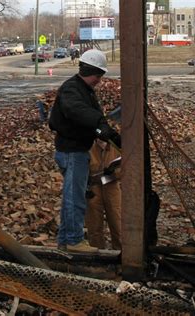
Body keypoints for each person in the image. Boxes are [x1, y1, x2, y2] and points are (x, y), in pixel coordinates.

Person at [48, 49, 121, 253]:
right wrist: (98, 124)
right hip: (72, 151)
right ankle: (73, 241)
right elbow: (78, 111)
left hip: (76, 150)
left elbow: (93, 116)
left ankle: (65, 240)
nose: (99, 80)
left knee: (71, 197)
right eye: (99, 75)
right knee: (75, 197)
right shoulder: (72, 90)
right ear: (91, 71)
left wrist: (113, 135)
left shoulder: (83, 89)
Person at [85, 139, 122, 250]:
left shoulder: (116, 147)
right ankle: (97, 251)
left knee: (116, 219)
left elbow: (125, 168)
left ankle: (120, 250)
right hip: (94, 187)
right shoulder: (88, 147)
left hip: (112, 186)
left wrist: (111, 175)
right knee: (94, 223)